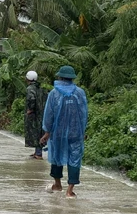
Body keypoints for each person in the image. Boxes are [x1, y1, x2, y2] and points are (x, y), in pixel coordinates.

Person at [41, 65, 89, 198]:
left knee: (56, 157)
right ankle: (69, 191)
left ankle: (57, 185)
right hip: (76, 132)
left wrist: (47, 132)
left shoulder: (54, 93)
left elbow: (49, 114)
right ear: (72, 78)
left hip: (58, 132)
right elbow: (84, 114)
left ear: (60, 77)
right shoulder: (80, 93)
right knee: (75, 159)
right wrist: (83, 130)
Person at [24, 70, 46, 159]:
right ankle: (37, 151)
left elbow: (31, 99)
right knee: (39, 132)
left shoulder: (30, 89)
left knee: (35, 132)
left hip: (34, 115)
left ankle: (38, 153)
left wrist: (30, 109)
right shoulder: (40, 87)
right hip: (41, 113)